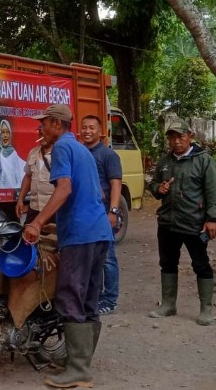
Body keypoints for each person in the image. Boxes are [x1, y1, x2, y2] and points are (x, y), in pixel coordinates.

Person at [23, 104, 113, 389]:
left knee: (69, 294)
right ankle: (80, 362)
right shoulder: (83, 150)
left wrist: (38, 222)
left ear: (55, 124)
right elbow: (95, 193)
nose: (40, 129)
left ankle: (78, 369)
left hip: (81, 235)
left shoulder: (62, 148)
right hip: (99, 232)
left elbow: (64, 188)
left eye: (43, 124)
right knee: (87, 297)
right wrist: (57, 223)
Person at [148, 118, 215, 326]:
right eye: (172, 137)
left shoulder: (204, 160)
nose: (176, 141)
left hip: (193, 223)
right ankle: (168, 305)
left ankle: (206, 309)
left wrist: (212, 219)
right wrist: (159, 188)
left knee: (201, 264)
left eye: (180, 136)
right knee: (167, 263)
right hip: (168, 223)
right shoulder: (165, 161)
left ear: (190, 136)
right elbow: (154, 184)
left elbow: (213, 192)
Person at [81, 115, 123, 316]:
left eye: (92, 127)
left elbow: (116, 184)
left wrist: (113, 211)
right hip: (86, 215)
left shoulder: (108, 155)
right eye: (84, 128)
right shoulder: (80, 153)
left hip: (104, 213)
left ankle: (110, 299)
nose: (87, 131)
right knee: (91, 257)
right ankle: (94, 296)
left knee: (107, 257)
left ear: (100, 131)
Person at [15, 126, 54, 224]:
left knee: (52, 237)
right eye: (40, 133)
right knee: (28, 236)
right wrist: (20, 199)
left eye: (45, 133)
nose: (42, 136)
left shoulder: (60, 153)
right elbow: (28, 177)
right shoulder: (33, 152)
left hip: (52, 208)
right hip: (34, 206)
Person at [0, 119, 25, 188]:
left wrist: (14, 192)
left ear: (10, 134)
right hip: (3, 194)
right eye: (3, 132)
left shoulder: (13, 153)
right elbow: (1, 178)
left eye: (7, 132)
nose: (5, 135)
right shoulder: (0, 153)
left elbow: (18, 179)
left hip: (13, 193)